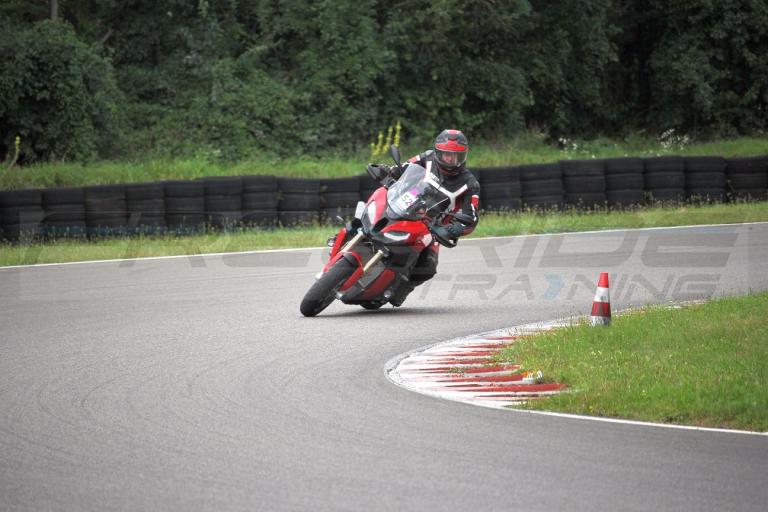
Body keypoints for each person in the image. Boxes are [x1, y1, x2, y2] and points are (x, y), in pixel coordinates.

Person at [366, 129, 481, 306]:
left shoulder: (470, 184)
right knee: (372, 210)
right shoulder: (427, 157)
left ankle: (402, 288)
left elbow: (470, 217)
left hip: (432, 225)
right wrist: (388, 170)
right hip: (405, 203)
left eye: (455, 156)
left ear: (463, 156)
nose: (450, 160)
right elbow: (404, 168)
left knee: (428, 265)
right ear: (437, 152)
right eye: (446, 155)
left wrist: (456, 228)